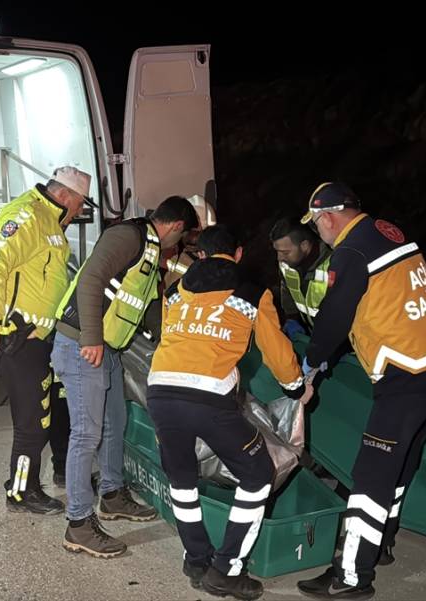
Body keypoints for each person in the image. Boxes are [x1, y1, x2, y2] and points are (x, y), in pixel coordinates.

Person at [294, 182, 426, 600]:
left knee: (370, 476)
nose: (319, 234)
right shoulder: (389, 232)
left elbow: (335, 317)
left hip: (406, 375)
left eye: (316, 226)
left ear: (329, 217)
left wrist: (311, 365)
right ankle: (381, 543)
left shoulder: (351, 252)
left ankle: (351, 576)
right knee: (399, 465)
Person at [147, 224, 313, 600]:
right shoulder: (253, 292)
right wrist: (298, 388)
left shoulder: (175, 291)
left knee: (182, 477)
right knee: (257, 473)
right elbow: (277, 352)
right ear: (238, 254)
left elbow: (172, 337)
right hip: (208, 398)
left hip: (160, 390)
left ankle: (196, 560)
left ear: (200, 255)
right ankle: (227, 569)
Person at [53, 196, 200, 558]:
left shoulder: (150, 252)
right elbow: (90, 279)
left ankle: (113, 495)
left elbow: (148, 310)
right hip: (83, 345)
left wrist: (180, 343)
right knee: (86, 433)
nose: (179, 247)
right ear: (177, 227)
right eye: (182, 238)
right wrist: (90, 338)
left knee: (113, 423)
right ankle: (79, 523)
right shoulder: (128, 237)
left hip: (109, 349)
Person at [0, 166, 90, 515]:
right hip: (18, 340)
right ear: (65, 195)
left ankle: (33, 483)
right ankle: (21, 492)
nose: (80, 210)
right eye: (80, 203)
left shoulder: (50, 221)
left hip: (40, 339)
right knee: (32, 425)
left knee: (44, 417)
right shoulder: (26, 215)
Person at [269, 217, 331, 335]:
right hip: (311, 334)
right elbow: (287, 292)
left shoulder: (334, 265)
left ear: (304, 245)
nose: (279, 258)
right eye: (277, 251)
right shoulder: (286, 264)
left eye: (285, 252)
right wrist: (292, 318)